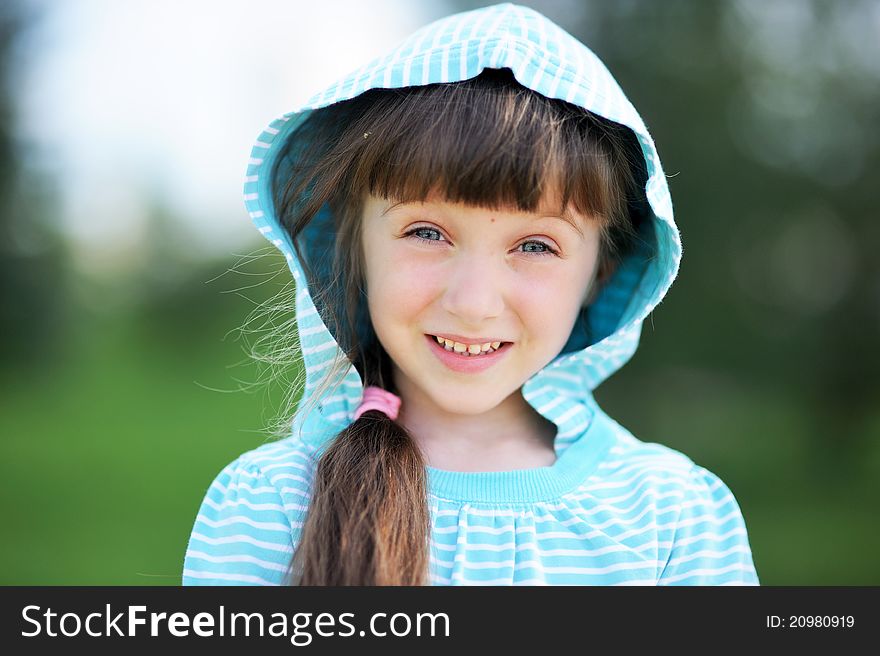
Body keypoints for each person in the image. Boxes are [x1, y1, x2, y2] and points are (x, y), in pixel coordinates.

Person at [182, 2, 759, 586]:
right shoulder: (270, 507)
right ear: (355, 250)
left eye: (535, 245)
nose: (474, 302)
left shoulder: (673, 517)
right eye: (427, 233)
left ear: (601, 275)